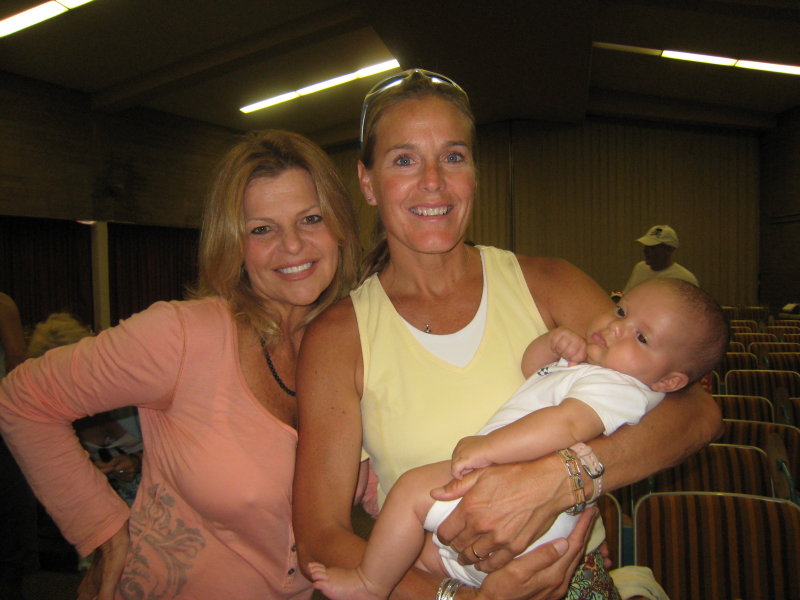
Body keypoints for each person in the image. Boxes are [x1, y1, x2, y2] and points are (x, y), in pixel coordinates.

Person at [293, 69, 723, 600]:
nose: (433, 180)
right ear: (367, 183)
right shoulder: (339, 335)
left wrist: (561, 479)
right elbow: (320, 535)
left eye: (453, 156)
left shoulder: (547, 283)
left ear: (474, 172)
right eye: (404, 159)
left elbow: (696, 412)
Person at [0, 129, 360, 600]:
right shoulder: (183, 336)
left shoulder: (352, 348)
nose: (292, 246)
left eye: (310, 218)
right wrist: (104, 533)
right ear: (235, 244)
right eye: (262, 229)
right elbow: (23, 400)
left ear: (338, 228)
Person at [307, 277, 728, 599]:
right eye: (621, 311)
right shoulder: (593, 368)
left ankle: (369, 584)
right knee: (416, 546)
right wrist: (551, 345)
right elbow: (532, 371)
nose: (618, 328)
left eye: (641, 337)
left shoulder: (621, 388)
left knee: (409, 491)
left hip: (523, 518)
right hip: (491, 549)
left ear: (670, 378)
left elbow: (565, 426)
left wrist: (488, 447)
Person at [621, 225, 698, 294]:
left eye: (653, 248)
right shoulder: (640, 268)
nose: (646, 251)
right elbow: (626, 295)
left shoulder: (684, 278)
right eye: (646, 246)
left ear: (669, 250)